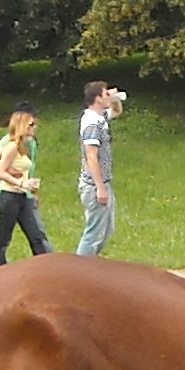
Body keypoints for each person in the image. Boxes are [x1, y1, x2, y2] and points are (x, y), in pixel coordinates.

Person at [0, 105, 52, 267]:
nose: (35, 127)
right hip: (10, 195)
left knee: (36, 234)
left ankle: (48, 267)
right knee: (3, 237)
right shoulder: (11, 144)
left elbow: (29, 169)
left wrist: (32, 191)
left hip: (24, 195)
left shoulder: (30, 143)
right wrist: (13, 174)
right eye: (31, 124)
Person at [75, 81, 120, 257]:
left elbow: (117, 111)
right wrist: (100, 188)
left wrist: (114, 98)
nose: (108, 96)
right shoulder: (92, 123)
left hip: (103, 183)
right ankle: (80, 270)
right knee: (94, 233)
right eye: (106, 94)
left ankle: (90, 265)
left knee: (107, 229)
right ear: (97, 98)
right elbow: (91, 156)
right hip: (94, 186)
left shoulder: (100, 117)